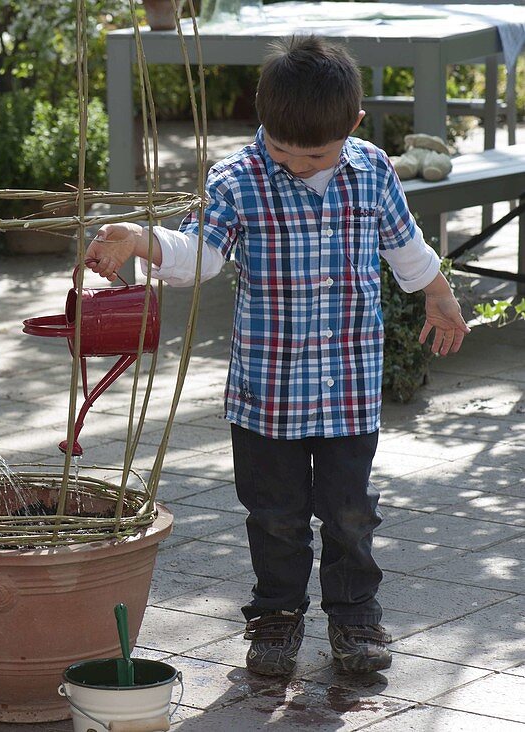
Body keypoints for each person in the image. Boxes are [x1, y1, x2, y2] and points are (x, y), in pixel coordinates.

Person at [86, 35, 470, 677]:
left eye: (313, 155)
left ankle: (355, 617)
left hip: (348, 389)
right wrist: (146, 241)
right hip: (266, 398)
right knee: (275, 518)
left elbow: (405, 246)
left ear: (354, 125)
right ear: (262, 125)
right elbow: (200, 255)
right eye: (280, 150)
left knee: (351, 513)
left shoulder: (372, 169)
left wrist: (439, 293)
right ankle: (276, 617)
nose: (293, 164)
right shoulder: (236, 180)